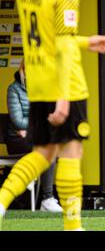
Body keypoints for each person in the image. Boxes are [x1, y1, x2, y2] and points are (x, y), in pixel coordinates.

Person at [0, 0, 105, 231]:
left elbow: (46, 40)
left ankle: (0, 201)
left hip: (38, 83)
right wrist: (63, 97)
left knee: (43, 153)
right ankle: (73, 226)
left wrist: (86, 40)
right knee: (72, 152)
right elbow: (61, 48)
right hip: (66, 85)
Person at [5, 61, 62, 212]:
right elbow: (17, 120)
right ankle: (47, 198)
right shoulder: (14, 89)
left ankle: (46, 199)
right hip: (17, 139)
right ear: (23, 69)